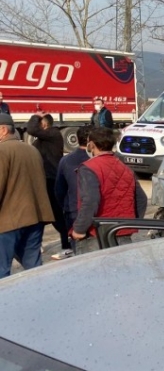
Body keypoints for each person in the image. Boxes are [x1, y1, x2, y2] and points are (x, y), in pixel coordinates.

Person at [71, 127, 147, 254]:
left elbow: (90, 201)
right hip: (123, 232)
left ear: (92, 145)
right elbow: (141, 199)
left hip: (97, 235)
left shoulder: (89, 168)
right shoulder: (125, 168)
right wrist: (131, 223)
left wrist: (79, 229)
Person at [0, 113, 54, 278]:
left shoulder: (2, 151)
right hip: (35, 217)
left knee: (2, 271)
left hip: (8, 222)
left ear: (2, 130)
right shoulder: (31, 149)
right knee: (34, 268)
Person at [26, 112, 71, 259]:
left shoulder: (53, 134)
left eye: (40, 123)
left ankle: (67, 245)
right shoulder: (43, 139)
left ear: (44, 124)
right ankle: (36, 243)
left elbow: (31, 129)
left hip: (52, 179)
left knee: (56, 214)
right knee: (40, 214)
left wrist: (35, 116)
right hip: (42, 179)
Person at [54, 125, 92, 256]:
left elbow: (59, 190)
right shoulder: (96, 160)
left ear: (77, 139)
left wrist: (66, 207)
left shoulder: (66, 160)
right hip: (97, 214)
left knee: (79, 253)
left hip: (73, 212)